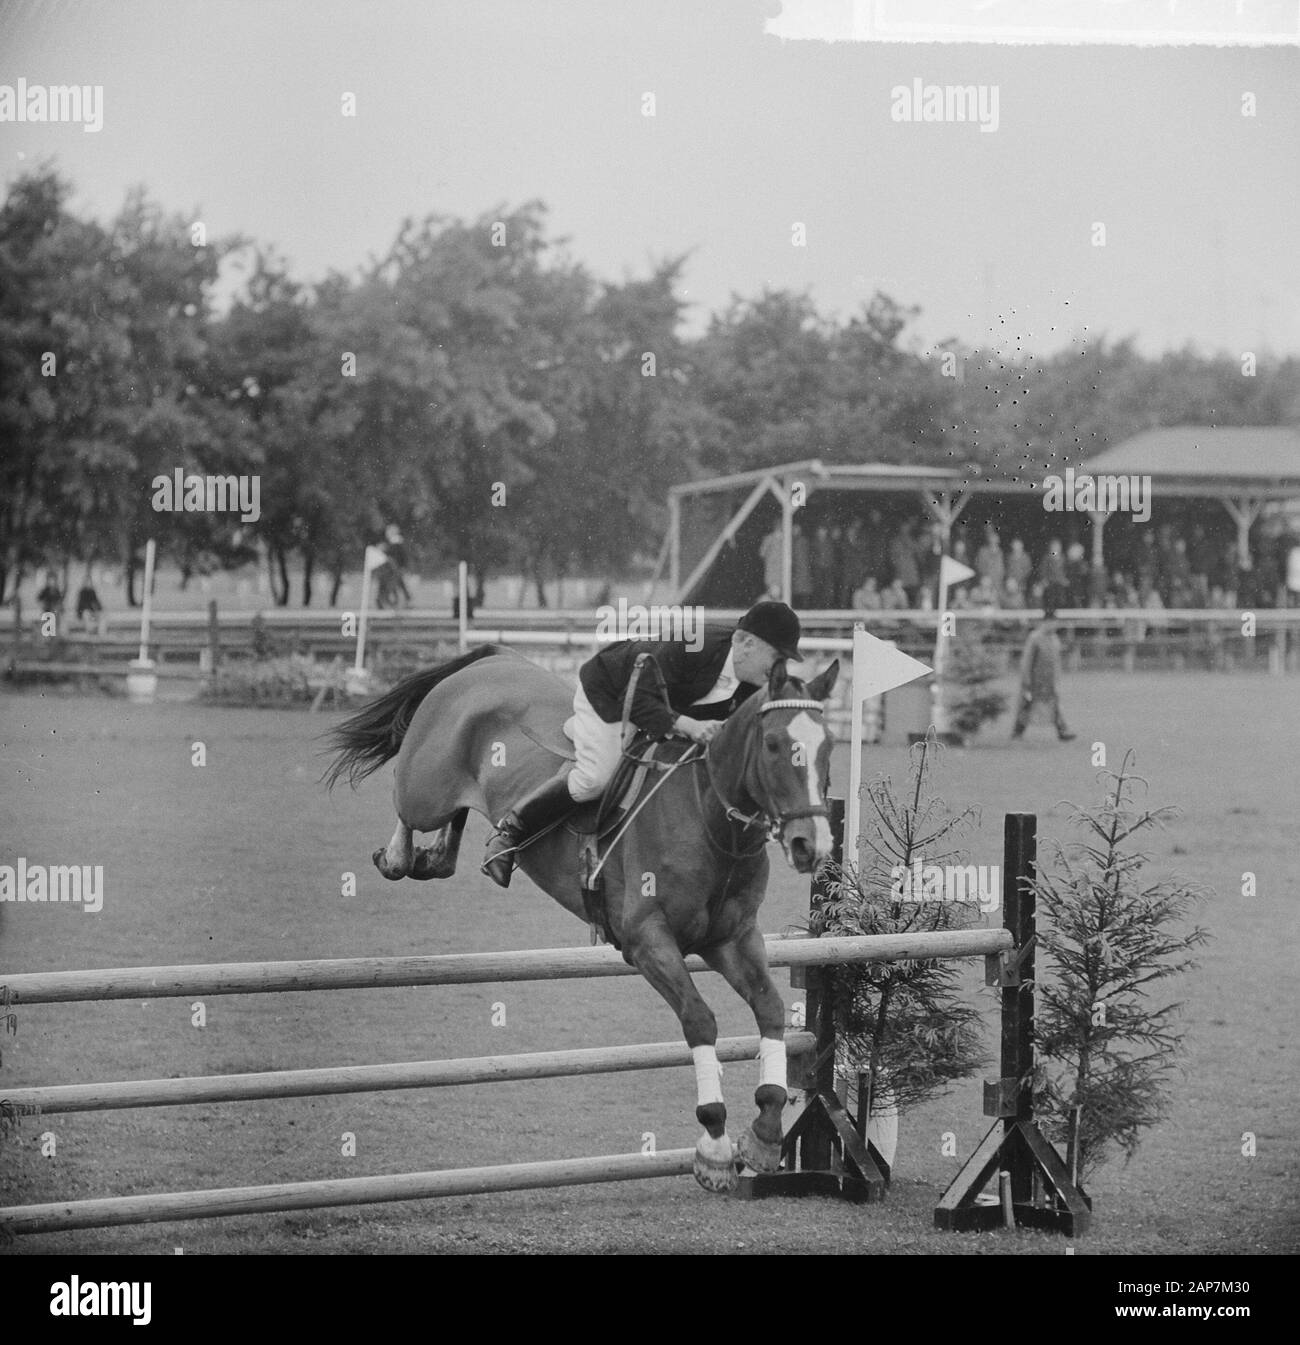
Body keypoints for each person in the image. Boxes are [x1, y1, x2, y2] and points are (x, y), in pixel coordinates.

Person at [482, 600, 804, 887]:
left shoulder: (753, 685)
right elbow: (637, 700)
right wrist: (689, 725)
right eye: (778, 656)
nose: (781, 669)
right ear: (745, 643)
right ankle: (510, 831)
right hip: (613, 695)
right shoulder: (693, 644)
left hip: (660, 712)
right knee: (596, 778)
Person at [1011, 589, 1076, 743]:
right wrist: (1026, 679)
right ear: (1045, 622)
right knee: (1027, 705)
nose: (1055, 625)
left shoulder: (1054, 638)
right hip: (1035, 680)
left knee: (1054, 704)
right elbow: (1026, 661)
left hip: (1049, 679)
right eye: (1053, 622)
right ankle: (1017, 731)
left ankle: (1062, 730)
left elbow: (1056, 659)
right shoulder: (1034, 638)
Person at [759, 523, 784, 599]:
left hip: (779, 570)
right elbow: (762, 553)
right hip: (773, 569)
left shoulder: (785, 539)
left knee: (777, 586)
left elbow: (762, 553)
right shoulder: (769, 539)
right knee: (774, 585)